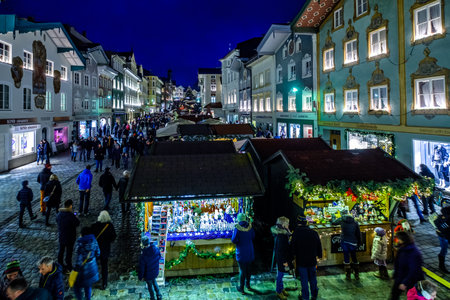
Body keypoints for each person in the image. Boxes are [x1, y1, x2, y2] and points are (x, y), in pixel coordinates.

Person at [291, 215, 322, 300]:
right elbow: (319, 245)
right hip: (312, 260)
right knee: (313, 278)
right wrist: (319, 255)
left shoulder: (296, 233)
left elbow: (292, 247)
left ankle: (305, 297)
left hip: (301, 261)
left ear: (298, 223)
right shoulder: (313, 232)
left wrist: (292, 258)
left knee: (304, 280)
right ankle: (314, 294)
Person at [391, 231, 424, 300]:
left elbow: (413, 270)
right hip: (401, 277)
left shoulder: (413, 253)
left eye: (398, 239)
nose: (396, 241)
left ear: (403, 240)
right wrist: (395, 274)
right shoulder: (402, 249)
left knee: (412, 297)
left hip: (410, 280)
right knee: (394, 295)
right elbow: (398, 263)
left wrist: (405, 283)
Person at [90, 211, 116, 290]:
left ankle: (93, 279)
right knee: (104, 266)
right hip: (105, 250)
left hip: (95, 250)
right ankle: (104, 283)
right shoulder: (110, 226)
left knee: (94, 264)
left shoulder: (95, 226)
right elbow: (113, 237)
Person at [332, 210, 361, 280]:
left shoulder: (342, 219)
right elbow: (358, 234)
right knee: (354, 256)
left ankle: (348, 275)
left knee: (346, 256)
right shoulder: (355, 222)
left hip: (344, 241)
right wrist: (359, 242)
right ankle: (356, 274)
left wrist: (333, 216)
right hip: (353, 241)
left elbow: (333, 222)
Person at [73, 227, 101, 300]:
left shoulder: (80, 242)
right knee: (88, 285)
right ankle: (88, 298)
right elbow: (98, 253)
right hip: (92, 266)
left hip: (83, 269)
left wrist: (76, 267)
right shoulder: (94, 240)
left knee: (76, 286)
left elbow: (78, 256)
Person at [231, 213, 255, 295]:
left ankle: (241, 288)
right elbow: (253, 236)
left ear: (238, 219)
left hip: (241, 252)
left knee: (242, 270)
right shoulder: (250, 227)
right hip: (250, 251)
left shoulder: (237, 228)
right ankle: (248, 285)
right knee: (248, 269)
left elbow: (233, 240)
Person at [271, 216, 292, 300]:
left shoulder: (282, 233)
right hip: (281, 259)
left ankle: (281, 288)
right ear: (283, 225)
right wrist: (284, 261)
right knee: (280, 275)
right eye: (287, 223)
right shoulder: (281, 236)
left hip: (281, 257)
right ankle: (278, 291)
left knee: (281, 274)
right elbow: (281, 250)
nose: (288, 225)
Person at [56, 200, 80, 272]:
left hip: (62, 235)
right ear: (70, 206)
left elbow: (57, 220)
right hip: (70, 237)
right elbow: (77, 223)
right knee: (69, 252)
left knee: (61, 250)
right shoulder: (71, 215)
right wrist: (76, 217)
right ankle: (69, 266)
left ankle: (60, 263)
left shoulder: (59, 214)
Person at [138, 236, 162, 300]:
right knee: (154, 282)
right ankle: (159, 295)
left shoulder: (143, 255)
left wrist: (140, 277)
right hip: (155, 271)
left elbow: (142, 268)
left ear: (143, 244)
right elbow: (159, 257)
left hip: (148, 275)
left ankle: (152, 297)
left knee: (150, 286)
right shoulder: (155, 249)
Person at [433, 205, 450, 273]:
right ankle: (441, 266)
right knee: (444, 250)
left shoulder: (443, 215)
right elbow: (441, 227)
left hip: (445, 235)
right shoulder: (446, 218)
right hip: (444, 236)